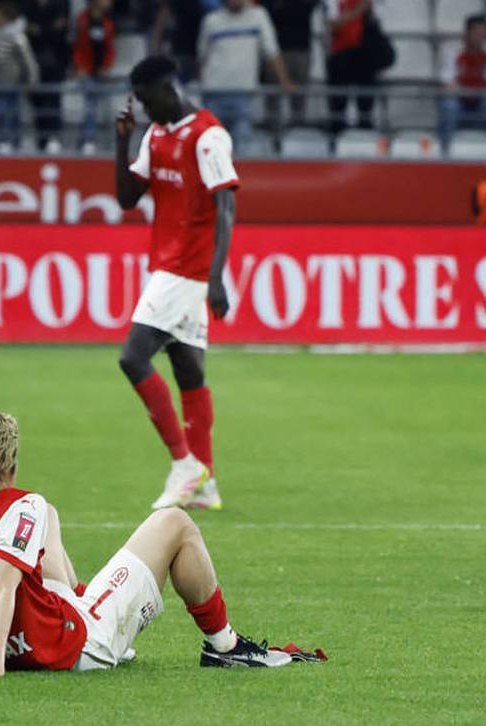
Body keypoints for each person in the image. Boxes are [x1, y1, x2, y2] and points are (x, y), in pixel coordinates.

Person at [0, 407, 298, 676]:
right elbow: (0, 588)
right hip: (65, 647)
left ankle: (79, 601)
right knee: (174, 523)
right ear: (3, 467)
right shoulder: (21, 504)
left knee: (47, 519)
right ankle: (224, 646)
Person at [114, 56, 236, 510]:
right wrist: (120, 142)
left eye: (148, 99)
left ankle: (184, 463)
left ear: (169, 87)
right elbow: (127, 197)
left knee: (133, 358)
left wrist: (217, 275)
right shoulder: (155, 136)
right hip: (168, 266)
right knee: (189, 371)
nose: (144, 110)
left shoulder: (208, 137)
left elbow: (226, 208)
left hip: (186, 270)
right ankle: (206, 483)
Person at [196, 0, 297, 150]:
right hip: (213, 93)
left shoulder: (259, 16)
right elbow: (202, 56)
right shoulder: (211, 20)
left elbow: (271, 51)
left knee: (243, 149)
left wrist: (285, 81)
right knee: (211, 150)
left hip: (244, 94)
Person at [0, 0, 39, 153]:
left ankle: (14, 142)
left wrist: (31, 80)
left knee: (14, 113)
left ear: (7, 19)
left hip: (14, 83)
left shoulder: (18, 37)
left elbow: (28, 60)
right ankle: (4, 140)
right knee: (1, 112)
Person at [437, 14, 486, 156]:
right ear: (467, 33)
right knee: (449, 106)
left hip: (481, 99)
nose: (480, 38)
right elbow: (447, 82)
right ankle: (445, 150)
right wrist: (465, 89)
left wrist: (473, 89)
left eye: (484, 34)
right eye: (477, 33)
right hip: (458, 99)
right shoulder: (451, 49)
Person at [22, 0, 70, 153]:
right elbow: (26, 35)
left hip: (55, 65)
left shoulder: (59, 6)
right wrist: (48, 29)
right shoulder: (28, 7)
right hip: (33, 66)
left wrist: (39, 30)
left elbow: (60, 34)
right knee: (38, 103)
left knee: (54, 100)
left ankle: (53, 138)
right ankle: (41, 140)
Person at [323, 0, 377, 134]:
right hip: (340, 54)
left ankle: (365, 136)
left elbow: (375, 21)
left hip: (365, 54)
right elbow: (332, 25)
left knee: (365, 105)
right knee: (338, 105)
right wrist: (357, 11)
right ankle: (337, 139)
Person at [261, 0, 314, 130]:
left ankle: (297, 130)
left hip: (301, 49)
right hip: (275, 50)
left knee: (299, 95)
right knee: (273, 94)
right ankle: (272, 130)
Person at [72, 0, 114, 153]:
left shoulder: (107, 24)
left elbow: (110, 48)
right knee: (90, 105)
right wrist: (80, 67)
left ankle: (91, 139)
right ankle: (88, 139)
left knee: (103, 106)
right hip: (87, 71)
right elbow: (78, 47)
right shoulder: (82, 22)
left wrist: (105, 67)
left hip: (100, 71)